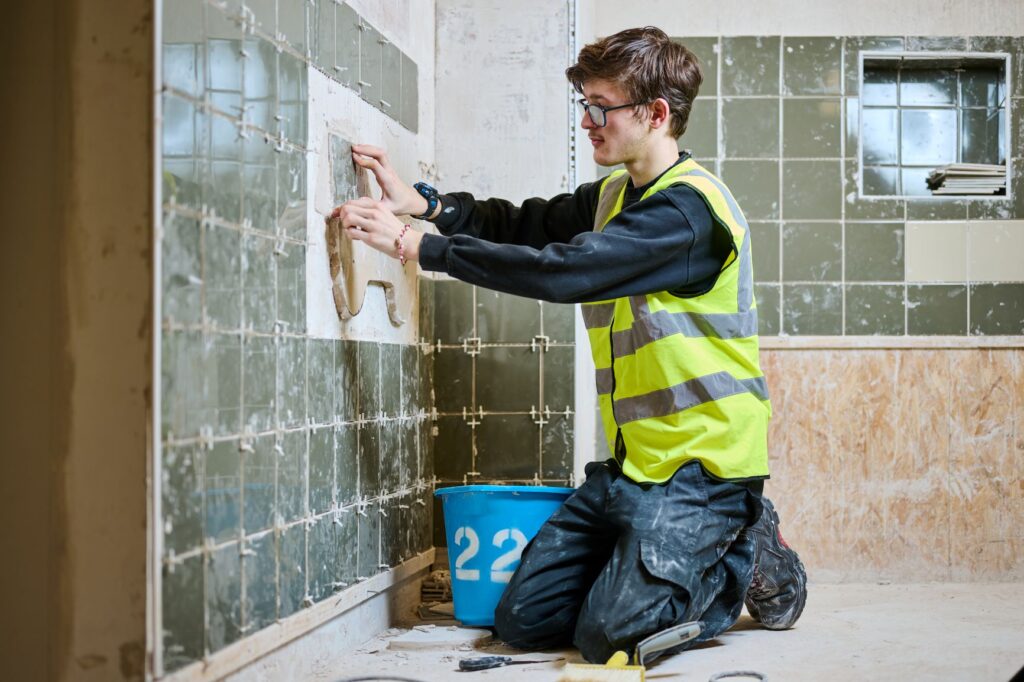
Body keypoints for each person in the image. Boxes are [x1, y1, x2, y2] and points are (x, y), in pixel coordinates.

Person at [330, 26, 807, 665]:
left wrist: (420, 247)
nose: (587, 121)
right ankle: (651, 562)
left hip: (703, 474)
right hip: (634, 467)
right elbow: (526, 225)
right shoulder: (613, 196)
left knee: (611, 637)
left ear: (656, 113)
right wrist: (430, 206)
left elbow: (565, 270)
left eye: (601, 108)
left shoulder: (688, 215)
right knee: (522, 621)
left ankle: (744, 545)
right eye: (586, 105)